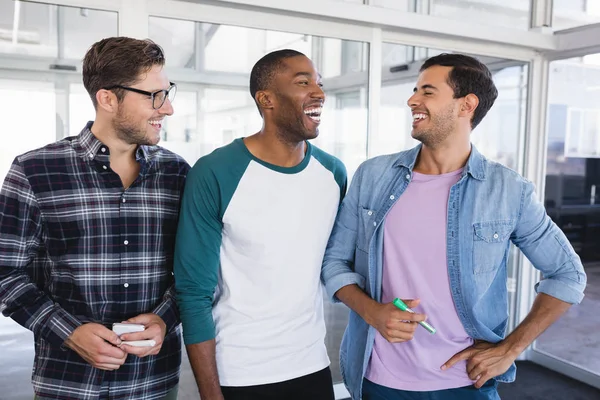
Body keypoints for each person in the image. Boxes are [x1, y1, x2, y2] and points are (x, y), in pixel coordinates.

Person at [321, 53, 587, 400]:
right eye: (415, 89)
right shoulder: (373, 176)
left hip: (466, 385)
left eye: (427, 91)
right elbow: (334, 263)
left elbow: (568, 274)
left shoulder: (508, 190)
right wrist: (371, 311)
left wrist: (509, 349)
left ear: (466, 105)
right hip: (381, 381)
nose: (412, 100)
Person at [0, 37, 189, 400]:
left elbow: (198, 271)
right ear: (107, 99)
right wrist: (68, 331)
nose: (167, 109)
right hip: (68, 384)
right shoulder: (34, 171)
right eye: (154, 96)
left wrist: (166, 317)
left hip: (154, 383)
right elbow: (6, 272)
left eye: (167, 93)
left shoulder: (178, 174)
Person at [174, 49, 346, 400]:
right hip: (241, 371)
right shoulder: (215, 172)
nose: (319, 92)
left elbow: (334, 264)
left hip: (312, 364)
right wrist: (210, 393)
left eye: (319, 83)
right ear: (266, 99)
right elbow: (193, 293)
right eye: (303, 82)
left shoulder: (333, 174)